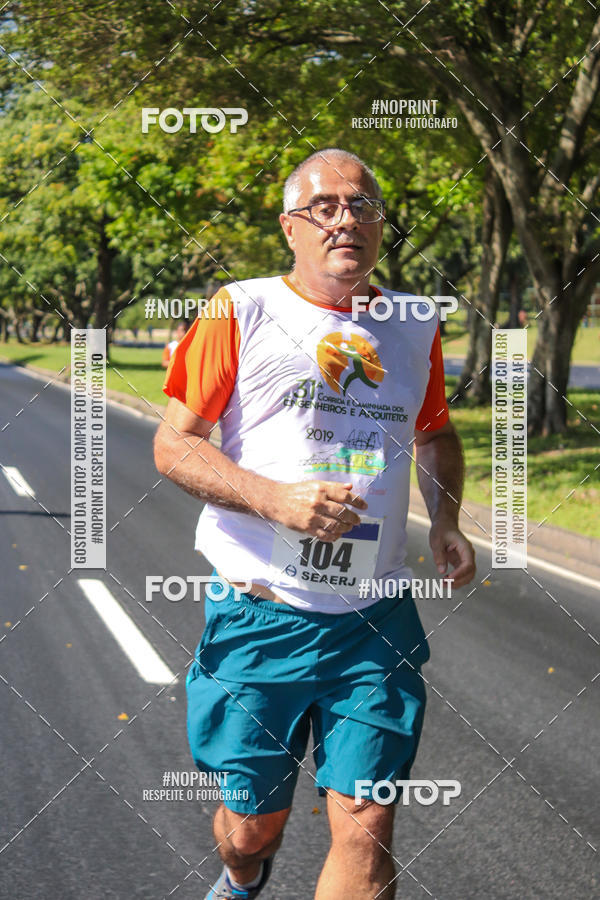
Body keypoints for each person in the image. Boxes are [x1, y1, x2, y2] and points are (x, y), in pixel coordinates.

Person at [154, 148, 476, 899]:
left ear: (382, 226)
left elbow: (434, 434)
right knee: (248, 830)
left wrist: (446, 523)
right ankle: (242, 879)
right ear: (290, 228)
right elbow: (174, 446)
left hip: (374, 617)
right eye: (324, 207)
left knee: (366, 820)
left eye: (362, 205)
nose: (346, 220)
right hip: (260, 612)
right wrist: (276, 500)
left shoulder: (413, 324)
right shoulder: (241, 309)